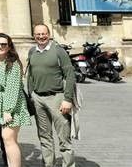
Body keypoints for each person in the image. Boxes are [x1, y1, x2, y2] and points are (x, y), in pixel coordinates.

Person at [26, 24, 77, 167]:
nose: (41, 37)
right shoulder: (32, 51)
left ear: (48, 34)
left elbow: (70, 74)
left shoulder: (58, 51)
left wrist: (67, 99)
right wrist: (31, 94)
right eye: (38, 34)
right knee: (44, 137)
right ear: (34, 35)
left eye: (44, 34)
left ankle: (68, 165)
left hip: (57, 98)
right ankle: (49, 164)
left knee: (64, 137)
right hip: (38, 99)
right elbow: (30, 74)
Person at [0, 34, 31, 167]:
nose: (0, 47)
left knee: (9, 140)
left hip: (11, 108)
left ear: (9, 47)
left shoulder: (12, 64)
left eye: (4, 44)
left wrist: (8, 110)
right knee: (7, 140)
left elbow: (12, 89)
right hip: (0, 106)